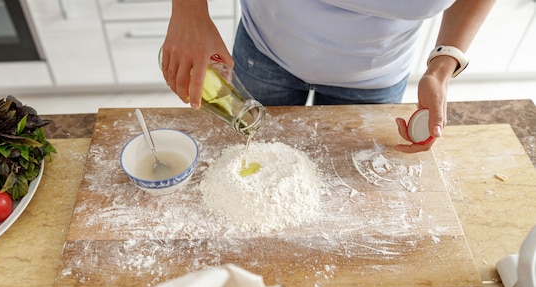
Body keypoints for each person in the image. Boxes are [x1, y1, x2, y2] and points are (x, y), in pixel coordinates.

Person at [159, 0, 496, 153]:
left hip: (375, 76)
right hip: (265, 50)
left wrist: (443, 65)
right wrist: (188, 10)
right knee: (236, 147)